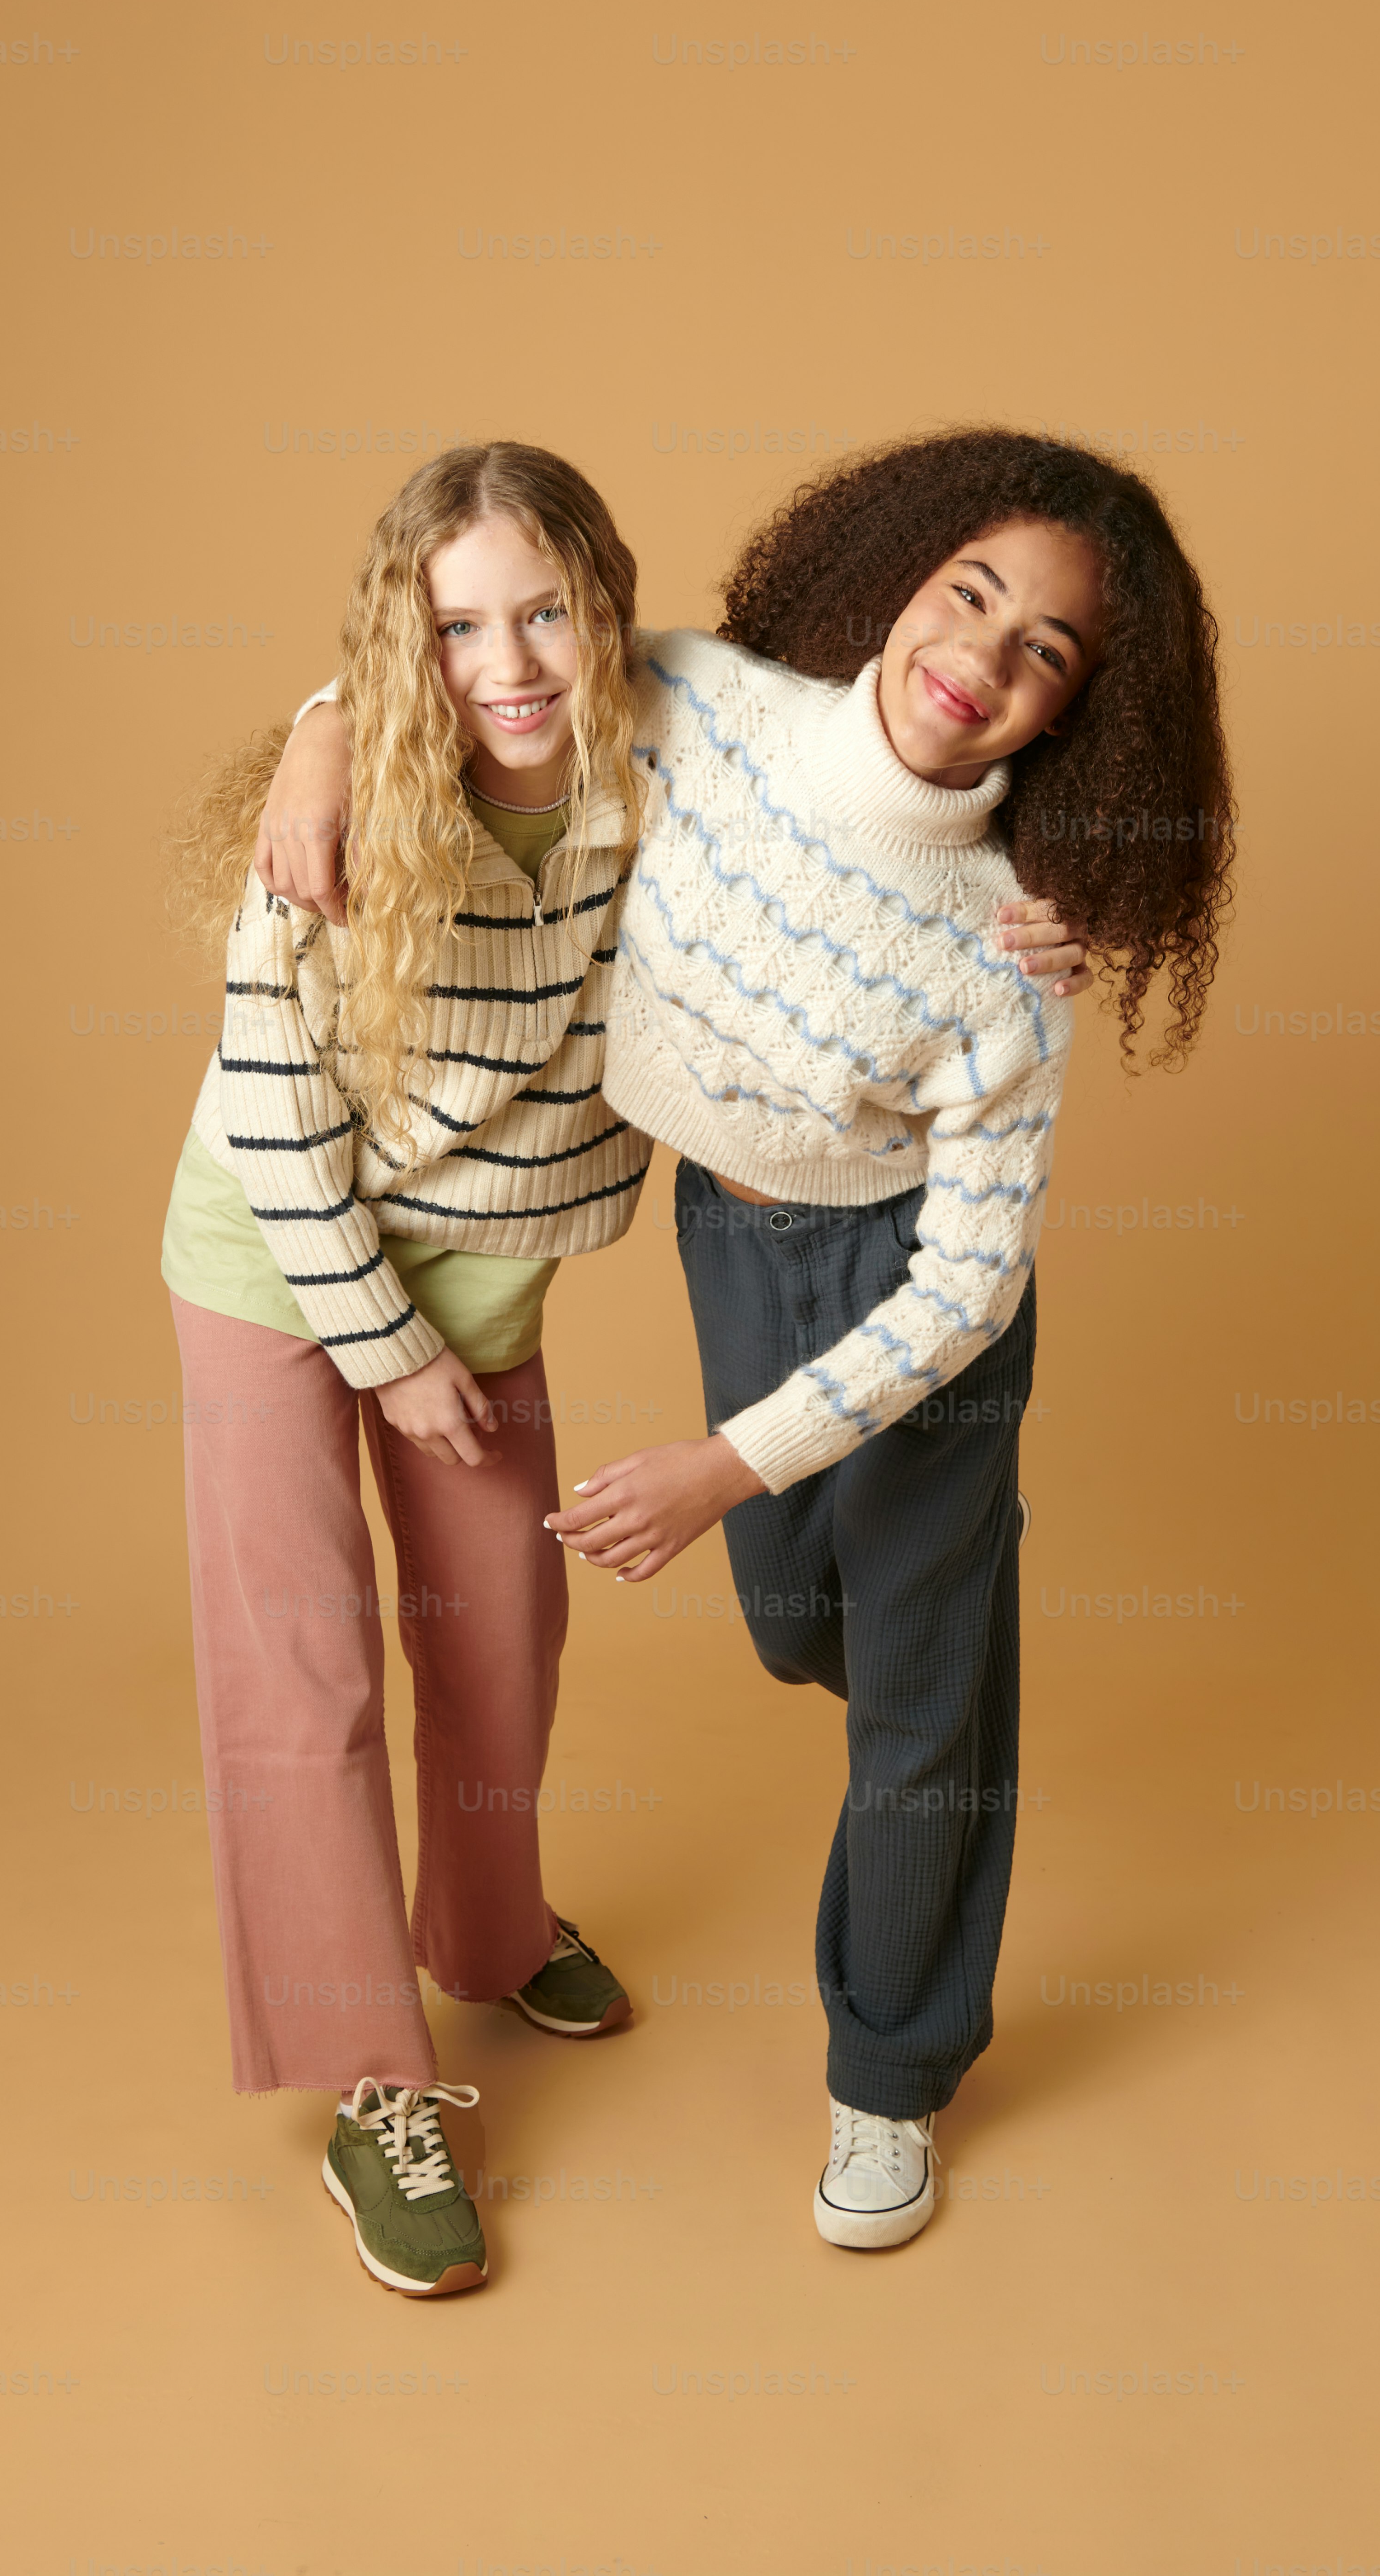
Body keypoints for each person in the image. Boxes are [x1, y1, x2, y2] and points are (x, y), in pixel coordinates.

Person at [169, 439, 1094, 2296]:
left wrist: (1067, 895)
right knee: (309, 1675)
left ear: (605, 614)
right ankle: (376, 2089)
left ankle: (490, 1932)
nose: (505, 664)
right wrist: (326, 732)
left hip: (490, 1282)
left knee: (504, 1643)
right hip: (279, 1262)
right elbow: (272, 1107)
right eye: (456, 629)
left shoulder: (667, 763)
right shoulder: (340, 821)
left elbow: (876, 812)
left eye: (543, 615)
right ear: (404, 642)